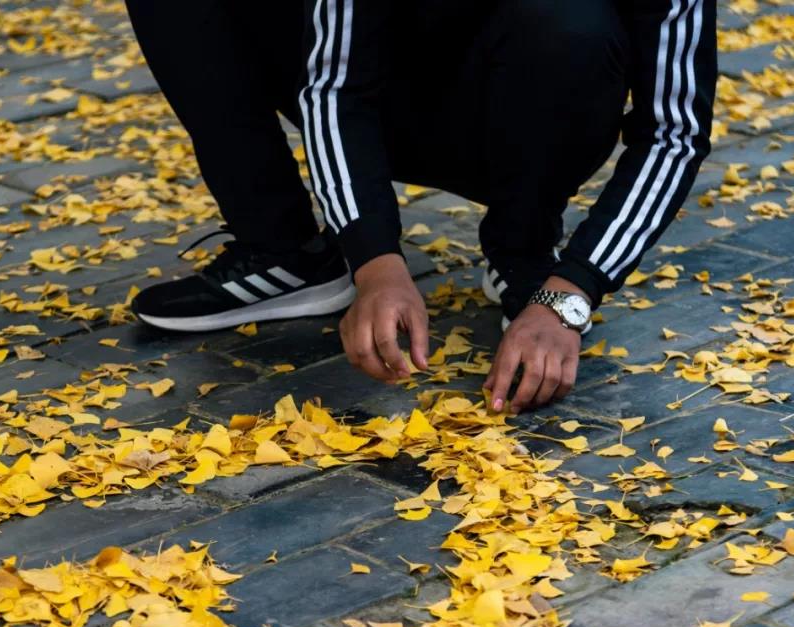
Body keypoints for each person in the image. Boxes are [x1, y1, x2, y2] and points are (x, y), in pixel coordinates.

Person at [127, 0, 716, 412]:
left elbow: (674, 132)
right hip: (389, 105)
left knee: (564, 19)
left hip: (535, 97)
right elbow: (335, 87)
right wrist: (374, 260)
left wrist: (571, 292)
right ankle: (288, 252)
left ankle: (525, 250)